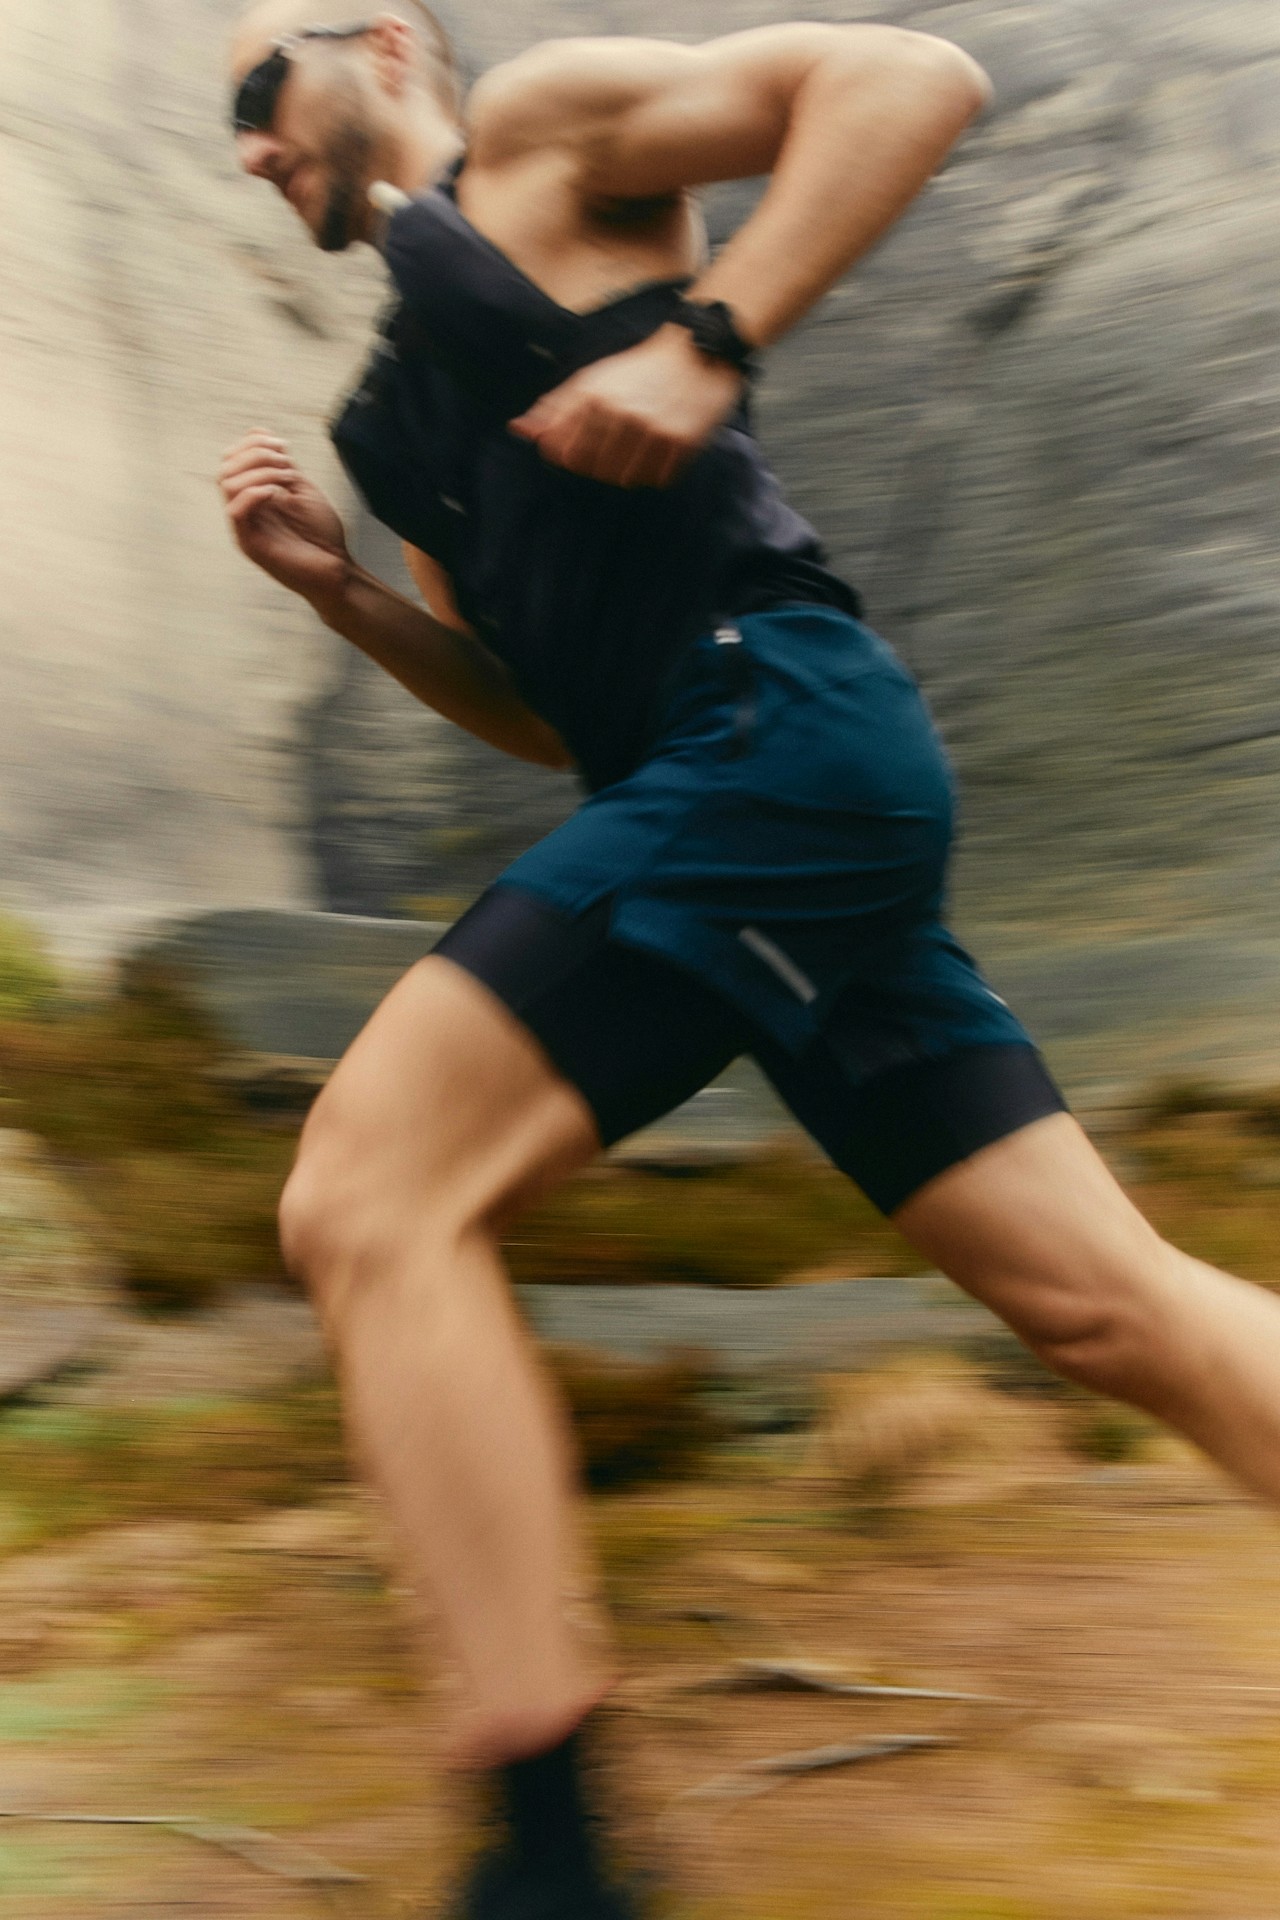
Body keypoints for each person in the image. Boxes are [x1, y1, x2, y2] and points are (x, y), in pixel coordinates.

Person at [219, 5, 1280, 1913]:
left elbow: (909, 81)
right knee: (1109, 1308)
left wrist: (709, 346)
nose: (242, 153)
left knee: (371, 1193)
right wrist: (345, 592)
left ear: (372, 42)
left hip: (771, 732)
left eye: (250, 97)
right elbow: (538, 724)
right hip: (749, 795)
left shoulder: (539, 139)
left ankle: (553, 1865)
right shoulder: (389, 419)